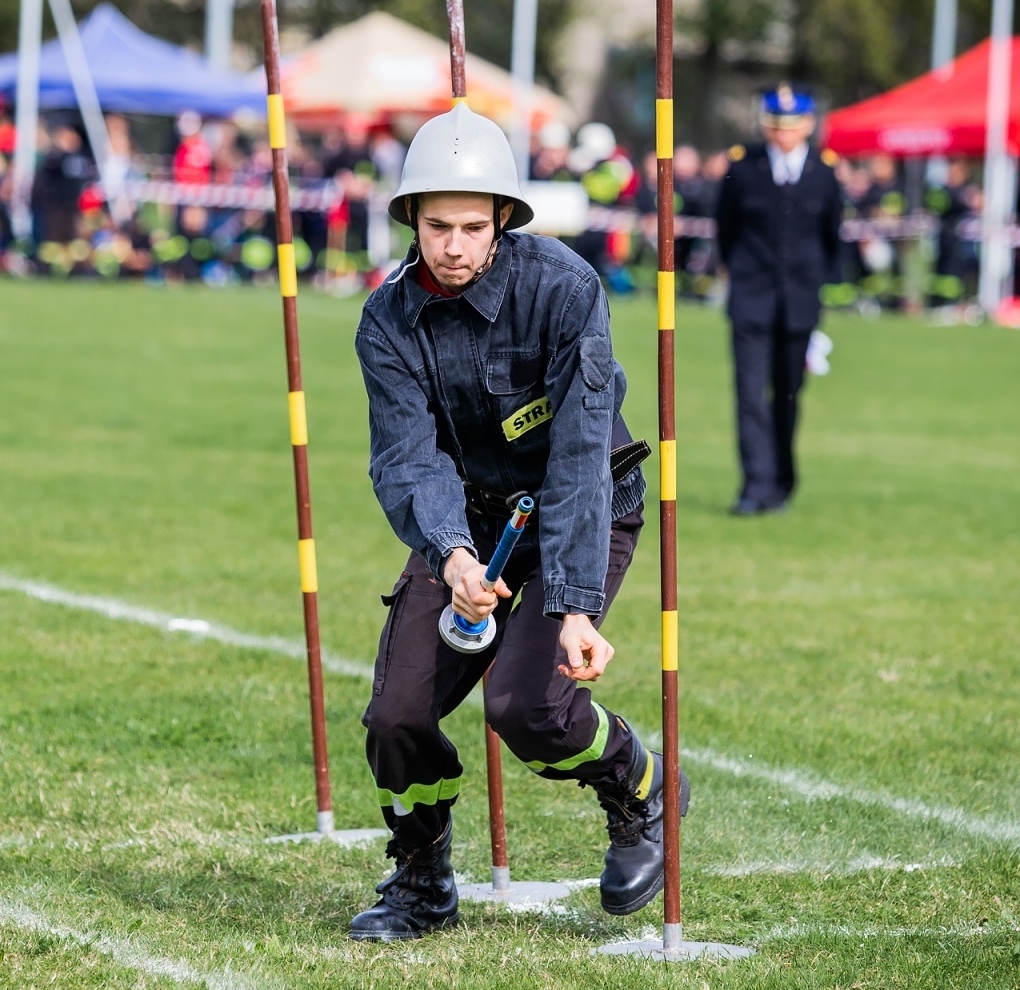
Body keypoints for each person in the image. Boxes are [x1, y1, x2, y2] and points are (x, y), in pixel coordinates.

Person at [348, 103, 684, 942]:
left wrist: (573, 604)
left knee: (527, 708)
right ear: (410, 221)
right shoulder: (384, 321)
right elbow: (405, 458)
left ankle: (639, 790)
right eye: (434, 226)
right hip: (464, 527)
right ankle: (424, 881)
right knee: (396, 718)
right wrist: (455, 557)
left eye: (470, 225)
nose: (453, 245)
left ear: (503, 219)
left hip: (585, 515)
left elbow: (578, 455)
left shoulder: (565, 290)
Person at [714, 84, 842, 515]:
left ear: (807, 126)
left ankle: (782, 483)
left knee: (787, 395)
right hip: (751, 297)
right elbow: (726, 228)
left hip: (799, 303)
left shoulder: (824, 172)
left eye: (790, 125)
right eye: (774, 124)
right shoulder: (744, 167)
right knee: (749, 394)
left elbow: (831, 235)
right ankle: (755, 485)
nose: (781, 133)